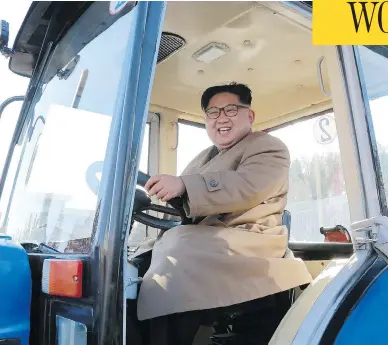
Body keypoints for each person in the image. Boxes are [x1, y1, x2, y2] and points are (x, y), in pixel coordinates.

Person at [135, 82, 312, 344]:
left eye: (230, 109)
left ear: (249, 115)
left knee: (178, 246)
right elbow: (185, 204)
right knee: (139, 254)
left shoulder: (268, 147)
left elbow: (248, 188)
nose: (221, 118)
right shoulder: (202, 158)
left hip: (251, 238)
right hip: (209, 239)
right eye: (213, 113)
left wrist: (183, 185)